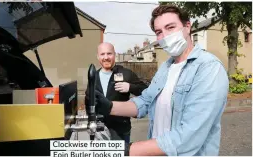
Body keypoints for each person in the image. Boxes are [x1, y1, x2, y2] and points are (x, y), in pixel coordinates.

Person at [94, 5, 229, 156]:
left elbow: (189, 137)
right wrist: (109, 107)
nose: (165, 36)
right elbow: (145, 102)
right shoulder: (166, 67)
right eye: (159, 32)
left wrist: (126, 150)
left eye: (170, 27)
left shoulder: (208, 68)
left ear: (187, 27)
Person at [85, 42, 148, 143]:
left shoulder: (126, 73)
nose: (106, 57)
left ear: (115, 55)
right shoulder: (94, 76)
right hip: (99, 129)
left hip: (121, 129)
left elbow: (145, 91)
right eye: (102, 54)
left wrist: (130, 87)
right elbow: (88, 101)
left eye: (109, 53)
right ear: (98, 56)